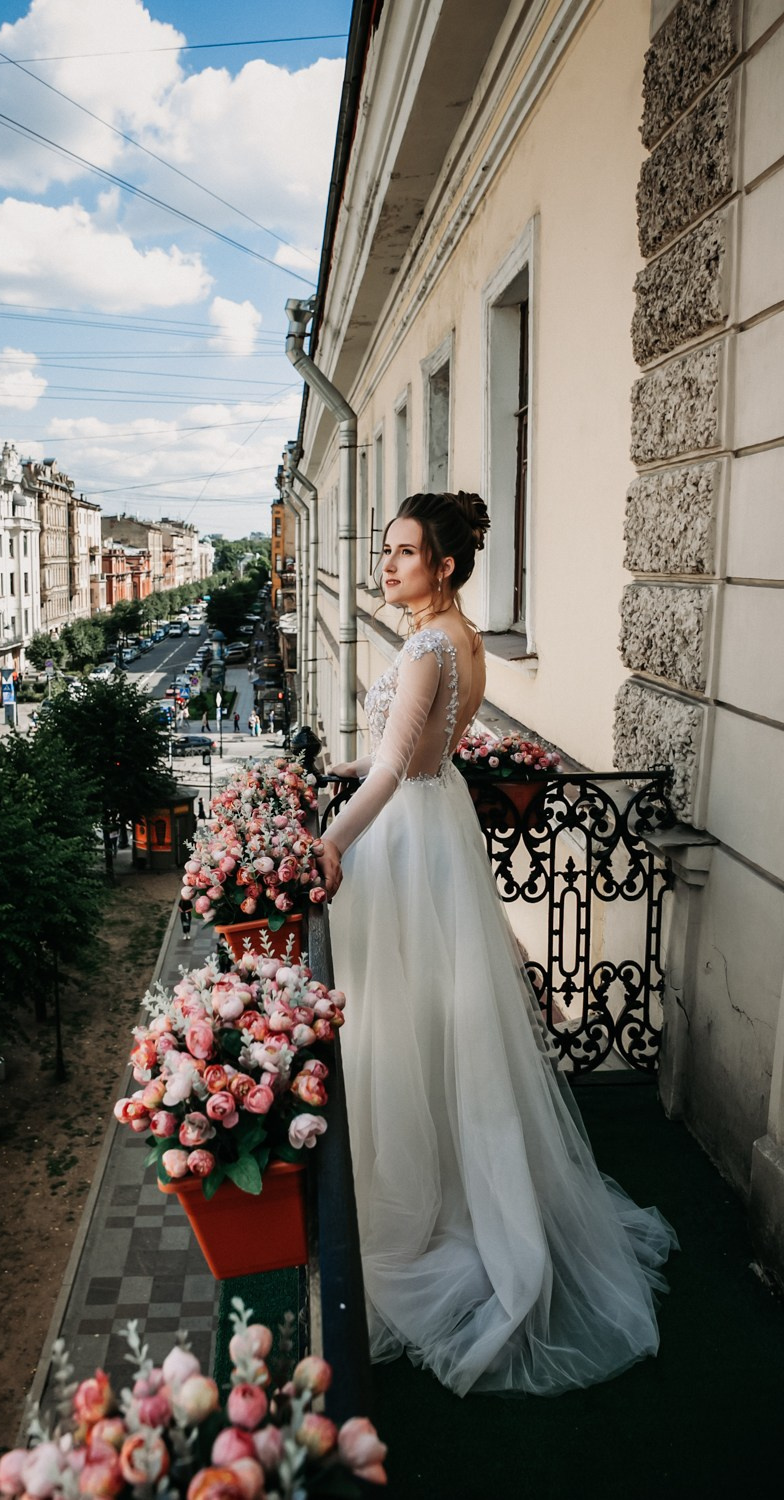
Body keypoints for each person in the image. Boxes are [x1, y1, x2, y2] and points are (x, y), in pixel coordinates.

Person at [318, 491, 677, 1398]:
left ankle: (439, 1201)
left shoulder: (432, 645)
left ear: (442, 565)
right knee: (440, 1021)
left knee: (412, 1019)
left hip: (409, 840)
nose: (387, 565)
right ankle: (445, 1176)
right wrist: (346, 771)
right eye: (386, 551)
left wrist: (330, 842)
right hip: (433, 833)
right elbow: (408, 754)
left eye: (404, 553)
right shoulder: (462, 639)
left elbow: (402, 766)